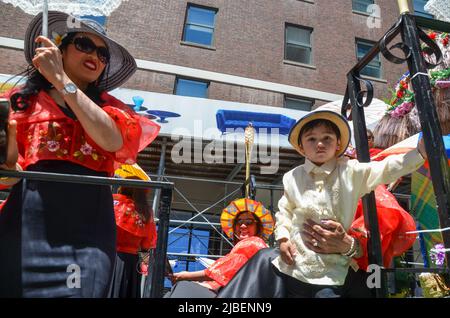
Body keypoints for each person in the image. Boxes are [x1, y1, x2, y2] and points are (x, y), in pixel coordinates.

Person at [0, 12, 160, 297]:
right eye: (85, 44)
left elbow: (112, 141)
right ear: (60, 48)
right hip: (27, 226)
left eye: (102, 53)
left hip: (88, 232)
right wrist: (9, 167)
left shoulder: (115, 110)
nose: (96, 56)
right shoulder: (21, 102)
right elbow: (11, 178)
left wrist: (61, 80)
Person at [273, 109, 426, 298]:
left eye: (327, 138)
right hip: (294, 263)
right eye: (311, 139)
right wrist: (282, 239)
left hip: (331, 269)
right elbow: (284, 211)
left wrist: (419, 153)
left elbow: (386, 168)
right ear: (301, 147)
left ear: (338, 144)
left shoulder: (351, 172)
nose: (319, 144)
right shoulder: (292, 177)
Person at [165, 198, 274, 298]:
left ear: (258, 226)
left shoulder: (253, 242)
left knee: (181, 289)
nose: (243, 226)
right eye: (239, 222)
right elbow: (226, 277)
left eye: (249, 222)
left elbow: (226, 270)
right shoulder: (244, 247)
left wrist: (187, 276)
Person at [108, 169, 157, 298]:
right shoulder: (146, 213)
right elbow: (147, 245)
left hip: (108, 255)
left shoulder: (113, 202)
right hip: (130, 262)